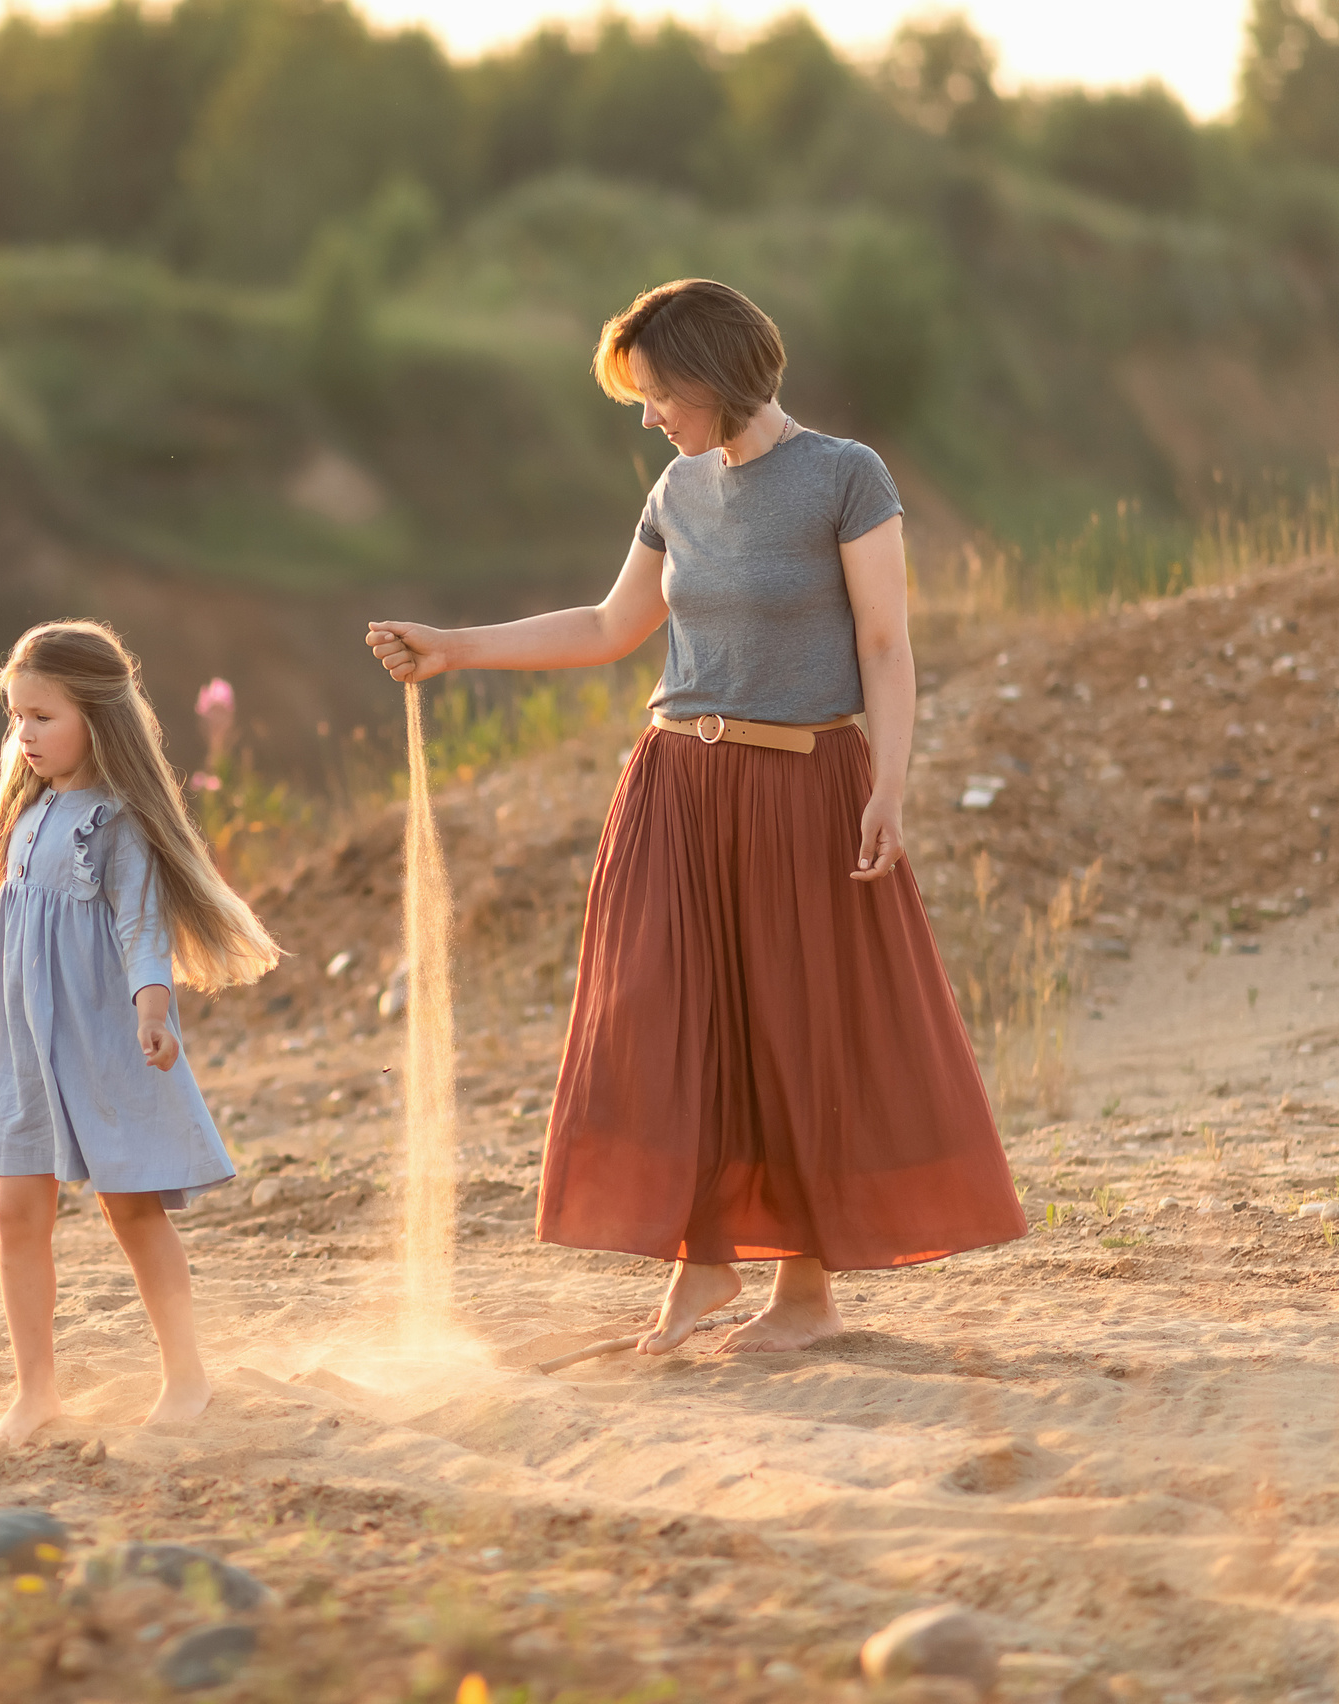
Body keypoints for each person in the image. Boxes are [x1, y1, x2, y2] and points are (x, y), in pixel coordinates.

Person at [366, 278, 1024, 1355]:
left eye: (658, 392)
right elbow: (608, 623)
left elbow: (886, 648)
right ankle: (701, 1263)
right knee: (668, 1020)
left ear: (715, 377)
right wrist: (454, 645)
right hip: (675, 785)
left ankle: (804, 1296)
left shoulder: (844, 478)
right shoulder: (675, 488)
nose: (647, 415)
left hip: (798, 783)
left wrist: (887, 788)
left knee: (791, 1029)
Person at [0, 620, 281, 1440]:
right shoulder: (25, 814)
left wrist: (152, 1007)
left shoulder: (116, 822)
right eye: (16, 716)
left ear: (96, 717)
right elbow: (16, 915)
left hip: (105, 1036)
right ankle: (35, 1393)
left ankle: (187, 1376)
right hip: (27, 1044)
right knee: (15, 1211)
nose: (24, 734)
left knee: (131, 1208)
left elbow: (141, 927)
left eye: (42, 716)